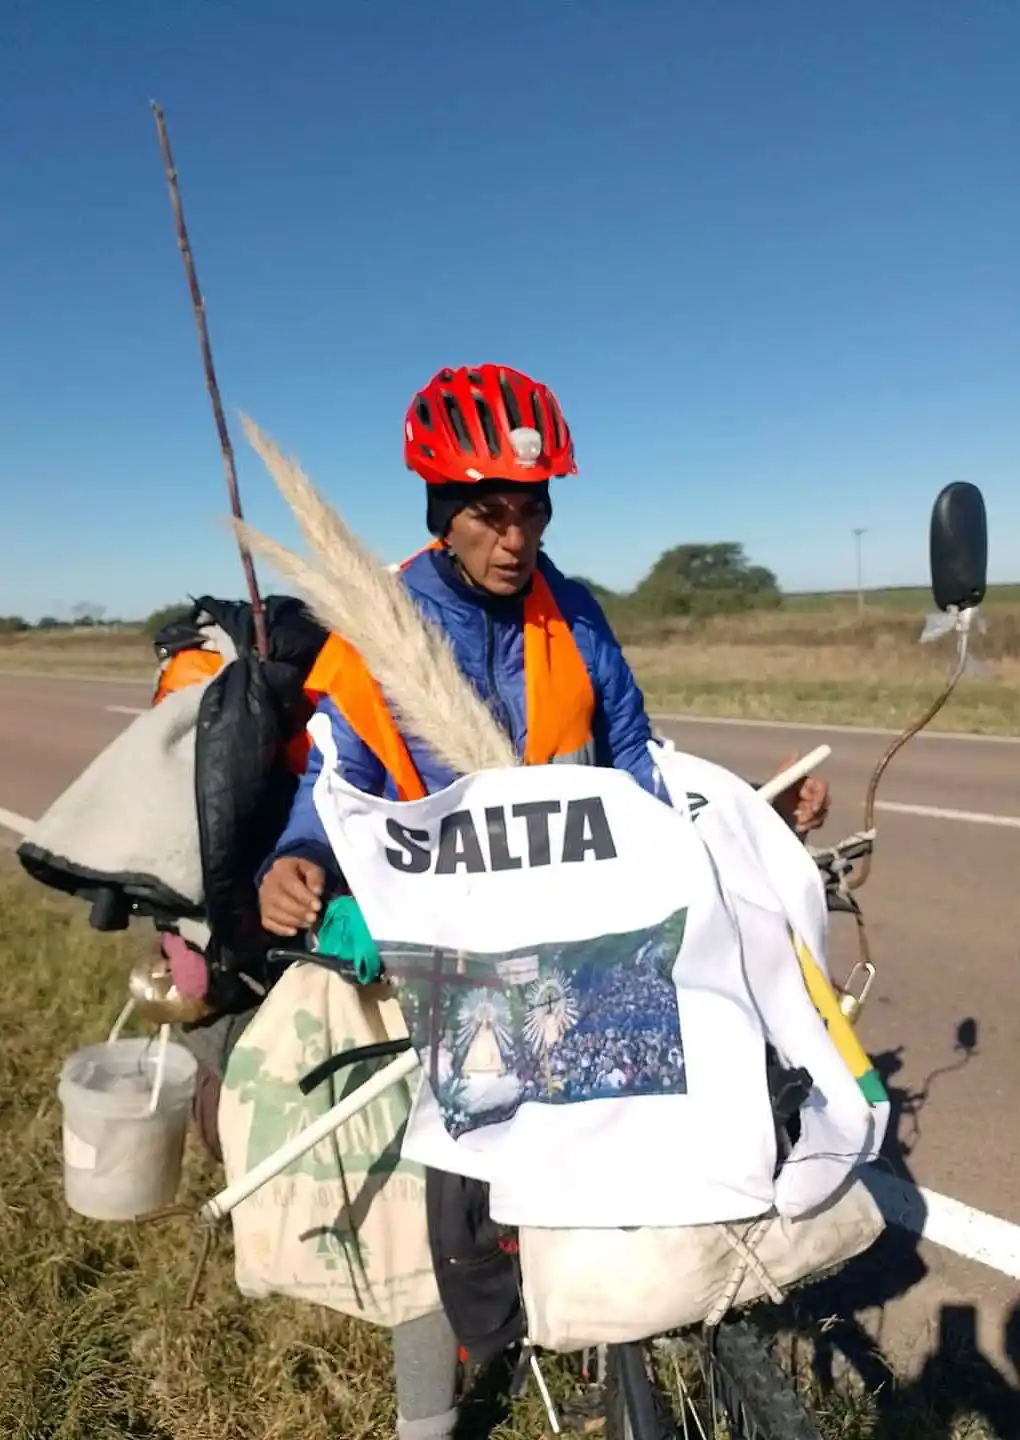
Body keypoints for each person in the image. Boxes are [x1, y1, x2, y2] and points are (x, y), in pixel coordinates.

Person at [256, 363, 829, 1440]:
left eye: (532, 510)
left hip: (581, 937)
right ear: (441, 515)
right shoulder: (375, 635)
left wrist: (744, 819)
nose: (515, 539)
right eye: (488, 514)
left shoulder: (577, 618)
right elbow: (330, 793)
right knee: (440, 1186)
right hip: (453, 955)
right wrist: (295, 865)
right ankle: (432, 1409)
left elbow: (635, 769)